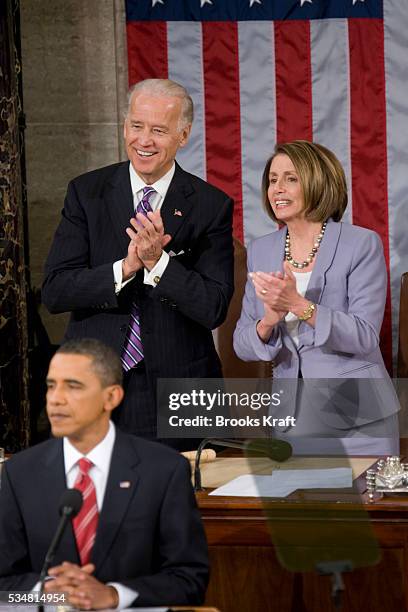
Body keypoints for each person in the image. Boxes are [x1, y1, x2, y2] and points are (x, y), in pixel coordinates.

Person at [42, 78, 234, 443]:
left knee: (190, 497)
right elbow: (55, 290)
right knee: (92, 496)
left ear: (183, 135)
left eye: (159, 130)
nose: (144, 141)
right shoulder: (86, 193)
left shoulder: (211, 205)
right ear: (124, 126)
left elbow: (214, 307)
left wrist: (158, 264)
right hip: (93, 383)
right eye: (136, 126)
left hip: (183, 388)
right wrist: (126, 267)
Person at [0, 338, 209, 609]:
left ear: (111, 397)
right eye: (51, 386)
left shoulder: (164, 471)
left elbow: (190, 582)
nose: (55, 399)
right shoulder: (20, 473)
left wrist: (113, 595)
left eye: (72, 386)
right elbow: (3, 588)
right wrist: (50, 592)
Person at [233, 140, 399, 455]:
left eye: (290, 179)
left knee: (364, 504)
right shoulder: (260, 250)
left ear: (318, 183)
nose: (277, 188)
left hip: (358, 417)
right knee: (306, 505)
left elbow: (364, 335)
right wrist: (268, 321)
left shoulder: (361, 244)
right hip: (292, 418)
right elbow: (242, 343)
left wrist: (298, 305)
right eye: (272, 180)